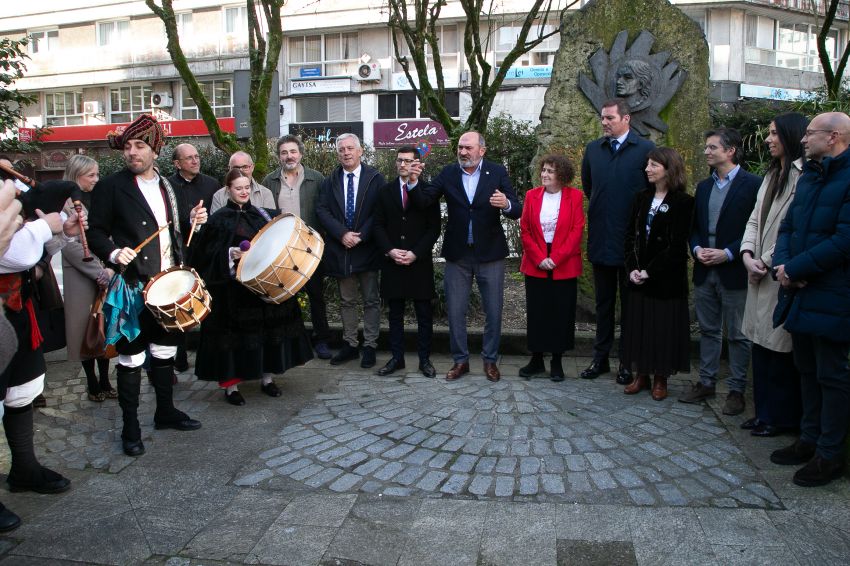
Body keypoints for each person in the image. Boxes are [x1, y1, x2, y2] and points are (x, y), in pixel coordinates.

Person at [87, 114, 206, 457]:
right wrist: (112, 250)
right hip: (133, 287)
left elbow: (176, 229)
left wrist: (195, 220)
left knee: (165, 352)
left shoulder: (169, 185)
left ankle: (165, 412)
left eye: (139, 146)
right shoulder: (112, 186)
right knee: (131, 358)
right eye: (127, 146)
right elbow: (95, 231)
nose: (132, 152)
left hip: (168, 283)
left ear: (155, 150)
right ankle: (130, 428)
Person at [770, 111, 850, 487]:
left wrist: (796, 267)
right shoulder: (811, 176)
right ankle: (809, 439)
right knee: (806, 368)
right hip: (800, 289)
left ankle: (830, 454)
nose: (802, 139)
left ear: (834, 137)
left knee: (832, 376)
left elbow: (844, 240)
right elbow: (789, 225)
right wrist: (784, 265)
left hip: (833, 293)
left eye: (811, 134)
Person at [187, 169, 312, 405]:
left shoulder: (263, 216)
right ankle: (232, 387)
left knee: (267, 333)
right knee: (232, 339)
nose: (244, 192)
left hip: (261, 290)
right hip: (231, 292)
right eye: (238, 188)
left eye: (246, 187)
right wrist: (229, 253)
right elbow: (202, 257)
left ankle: (267, 379)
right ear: (228, 190)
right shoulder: (217, 220)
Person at [408, 131, 521, 382]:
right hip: (458, 255)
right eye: (460, 147)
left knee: (493, 311)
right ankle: (461, 361)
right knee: (456, 312)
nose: (462, 152)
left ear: (482, 150)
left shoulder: (497, 172)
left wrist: (506, 204)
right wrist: (414, 182)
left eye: (468, 148)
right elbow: (425, 201)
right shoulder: (449, 173)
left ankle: (490, 360)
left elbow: (516, 208)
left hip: (490, 255)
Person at [0, 184, 84, 497]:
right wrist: (42, 226)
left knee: (22, 390)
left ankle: (24, 468)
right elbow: (16, 253)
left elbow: (31, 260)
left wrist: (61, 233)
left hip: (19, 308)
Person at [680, 128, 760, 415]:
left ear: (731, 151)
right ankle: (706, 382)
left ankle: (737, 390)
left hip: (735, 271)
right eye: (706, 147)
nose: (707, 152)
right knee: (709, 330)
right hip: (704, 271)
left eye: (713, 147)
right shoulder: (703, 187)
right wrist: (697, 249)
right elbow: (695, 228)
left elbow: (757, 229)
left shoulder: (753, 185)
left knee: (738, 334)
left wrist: (728, 253)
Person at [740, 113, 807, 437]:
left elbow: (790, 229)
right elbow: (755, 220)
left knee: (778, 351)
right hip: (757, 270)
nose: (767, 140)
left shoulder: (802, 175)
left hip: (777, 273)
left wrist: (764, 261)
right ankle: (762, 411)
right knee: (760, 347)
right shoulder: (770, 175)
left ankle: (779, 417)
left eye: (773, 134)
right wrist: (747, 255)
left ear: (790, 136)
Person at [580, 98, 655, 384]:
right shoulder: (593, 150)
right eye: (602, 118)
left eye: (610, 118)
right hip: (602, 238)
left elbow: (650, 193)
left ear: (626, 119)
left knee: (631, 306)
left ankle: (627, 361)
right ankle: (599, 359)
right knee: (604, 304)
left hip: (632, 244)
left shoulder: (645, 150)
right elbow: (590, 188)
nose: (604, 122)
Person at [621, 148, 695, 400]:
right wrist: (632, 269)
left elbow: (676, 246)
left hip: (665, 279)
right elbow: (630, 236)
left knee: (662, 329)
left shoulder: (683, 202)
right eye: (647, 164)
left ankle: (661, 378)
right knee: (639, 326)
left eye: (654, 165)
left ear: (668, 169)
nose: (647, 169)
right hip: (638, 278)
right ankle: (641, 375)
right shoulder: (640, 198)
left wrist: (649, 271)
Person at [316, 133, 385, 368]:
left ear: (360, 151)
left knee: (371, 300)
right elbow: (322, 210)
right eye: (341, 149)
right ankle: (350, 344)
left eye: (350, 148)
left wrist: (361, 236)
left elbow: (380, 210)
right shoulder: (330, 180)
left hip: (367, 249)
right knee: (346, 301)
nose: (346, 153)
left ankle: (370, 346)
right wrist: (342, 234)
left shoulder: (375, 177)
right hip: (341, 250)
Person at [262, 134, 332, 360]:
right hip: (281, 250)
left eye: (292, 151)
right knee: (285, 297)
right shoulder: (269, 181)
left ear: (301, 153)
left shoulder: (317, 178)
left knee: (316, 296)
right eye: (284, 152)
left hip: (310, 249)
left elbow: (325, 211)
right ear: (279, 156)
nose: (288, 156)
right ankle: (291, 341)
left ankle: (322, 340)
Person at [373, 146, 440, 378]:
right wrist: (390, 251)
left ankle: (424, 360)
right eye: (400, 160)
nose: (403, 165)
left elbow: (434, 229)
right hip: (393, 261)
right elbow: (378, 225)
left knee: (423, 314)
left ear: (418, 164)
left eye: (409, 161)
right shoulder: (384, 191)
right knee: (395, 314)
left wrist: (415, 253)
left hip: (418, 262)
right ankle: (397, 358)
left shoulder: (429, 191)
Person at [518, 154, 584, 382]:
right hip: (536, 261)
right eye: (543, 170)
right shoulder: (531, 196)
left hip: (563, 262)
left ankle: (557, 360)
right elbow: (525, 229)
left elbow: (577, 231)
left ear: (562, 175)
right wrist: (539, 257)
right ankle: (536, 359)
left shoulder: (574, 196)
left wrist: (555, 258)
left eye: (550, 171)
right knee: (537, 312)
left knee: (561, 313)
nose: (544, 174)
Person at [60, 155, 116, 402]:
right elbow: (68, 244)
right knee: (85, 329)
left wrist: (110, 265)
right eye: (91, 174)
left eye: (97, 173)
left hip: (104, 268)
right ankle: (92, 382)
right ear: (76, 175)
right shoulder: (64, 204)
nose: (96, 179)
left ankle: (105, 379)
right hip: (82, 276)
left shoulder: (98, 198)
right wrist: (99, 271)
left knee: (104, 327)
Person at [167, 143, 221, 372]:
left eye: (197, 156)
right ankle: (179, 356)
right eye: (189, 158)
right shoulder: (167, 186)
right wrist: (187, 220)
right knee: (178, 305)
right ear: (177, 163)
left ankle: (209, 354)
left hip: (206, 253)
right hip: (179, 254)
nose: (195, 161)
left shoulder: (211, 184)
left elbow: (218, 219)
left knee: (208, 304)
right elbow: (166, 220)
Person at [209, 151, 275, 213]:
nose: (241, 171)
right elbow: (215, 224)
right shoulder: (219, 196)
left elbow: (271, 223)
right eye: (236, 167)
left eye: (245, 167)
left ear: (252, 167)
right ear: (229, 169)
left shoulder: (265, 194)